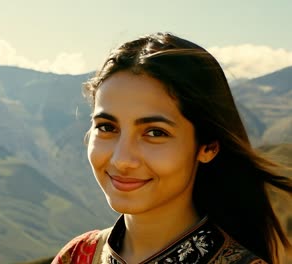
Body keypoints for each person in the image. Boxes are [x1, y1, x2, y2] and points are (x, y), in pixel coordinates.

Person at [52, 33, 291, 264]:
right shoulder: (78, 255)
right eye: (106, 127)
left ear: (208, 146)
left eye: (155, 133)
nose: (121, 160)